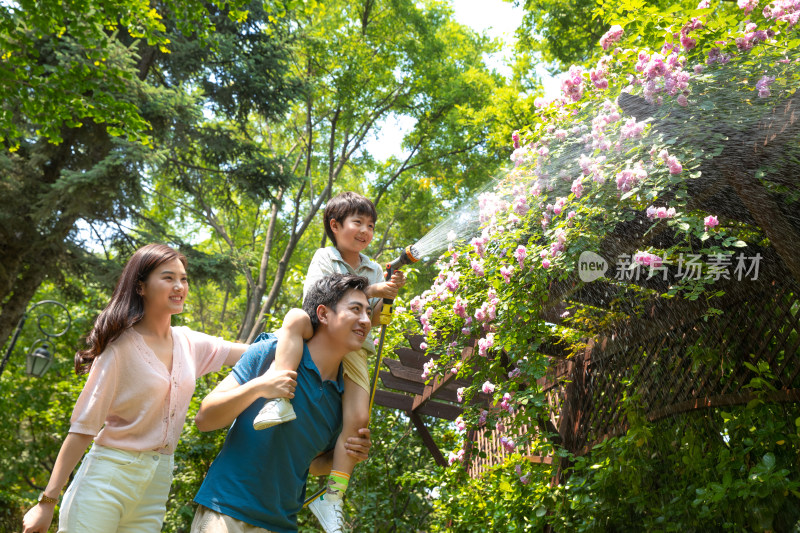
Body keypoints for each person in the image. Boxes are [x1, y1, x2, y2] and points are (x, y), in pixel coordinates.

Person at [21, 243, 251, 533]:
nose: (179, 286)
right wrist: (46, 501)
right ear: (141, 287)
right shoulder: (119, 349)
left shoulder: (190, 343)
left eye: (183, 279)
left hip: (156, 484)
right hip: (107, 479)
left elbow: (255, 353)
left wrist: (304, 330)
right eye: (168, 278)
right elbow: (83, 428)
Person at [251, 192, 405, 533]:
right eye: (357, 223)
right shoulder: (325, 256)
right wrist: (372, 289)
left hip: (355, 346)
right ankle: (279, 400)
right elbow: (315, 297)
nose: (365, 230)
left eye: (370, 225)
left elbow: (375, 320)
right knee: (292, 318)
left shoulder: (374, 267)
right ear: (335, 226)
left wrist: (387, 298)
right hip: (317, 326)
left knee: (359, 418)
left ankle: (332, 498)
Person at [191, 273, 374, 533]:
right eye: (356, 309)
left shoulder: (345, 400)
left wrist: (351, 455)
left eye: (368, 312)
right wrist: (260, 386)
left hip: (282, 525)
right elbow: (204, 419)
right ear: (323, 314)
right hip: (226, 512)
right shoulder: (271, 351)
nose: (366, 320)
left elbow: (313, 465)